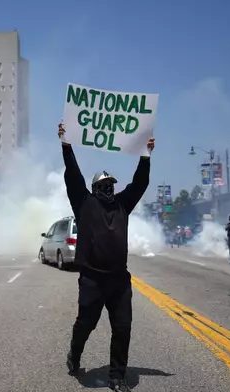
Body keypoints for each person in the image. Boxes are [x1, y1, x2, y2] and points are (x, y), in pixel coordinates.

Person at [59, 123, 153, 392]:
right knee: (85, 325)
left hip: (119, 281)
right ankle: (74, 355)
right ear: (94, 186)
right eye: (103, 184)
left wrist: (146, 154)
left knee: (123, 328)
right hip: (91, 280)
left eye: (111, 184)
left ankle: (116, 376)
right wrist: (66, 143)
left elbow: (140, 183)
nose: (108, 188)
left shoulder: (123, 204)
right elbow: (73, 175)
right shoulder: (84, 203)